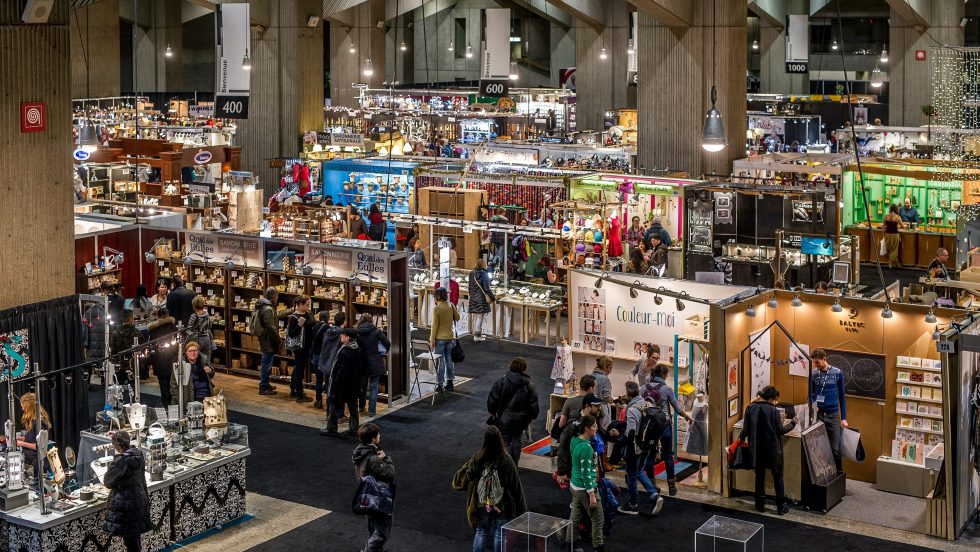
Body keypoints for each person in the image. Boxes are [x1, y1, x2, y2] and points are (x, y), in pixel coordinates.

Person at [452, 426, 528, 552]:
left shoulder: (477, 458)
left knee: (481, 531)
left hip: (482, 503)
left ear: (485, 441)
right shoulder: (506, 460)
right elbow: (516, 485)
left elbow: (469, 475)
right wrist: (522, 509)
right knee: (500, 533)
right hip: (502, 504)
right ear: (499, 440)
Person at [740, 385, 798, 515]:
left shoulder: (750, 408)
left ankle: (759, 504)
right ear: (772, 398)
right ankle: (781, 506)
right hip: (772, 450)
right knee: (777, 477)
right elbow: (781, 430)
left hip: (757, 449)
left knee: (759, 476)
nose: (776, 402)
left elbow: (745, 430)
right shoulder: (773, 411)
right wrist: (793, 423)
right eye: (775, 399)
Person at [643, 364, 694, 496]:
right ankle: (671, 486)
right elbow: (677, 408)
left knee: (650, 454)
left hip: (649, 425)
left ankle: (652, 485)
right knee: (667, 455)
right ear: (664, 375)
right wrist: (687, 417)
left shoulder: (643, 388)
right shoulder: (666, 389)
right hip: (664, 424)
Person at [619, 381, 664, 516]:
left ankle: (632, 505)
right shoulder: (647, 404)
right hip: (647, 446)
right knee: (640, 471)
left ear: (628, 394)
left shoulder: (632, 410)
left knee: (632, 474)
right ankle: (655, 495)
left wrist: (620, 436)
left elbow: (630, 432)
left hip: (635, 448)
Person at [103, 431, 151, 552]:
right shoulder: (139, 455)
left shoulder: (121, 461)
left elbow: (108, 482)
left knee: (131, 543)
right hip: (139, 501)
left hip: (126, 506)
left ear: (117, 445)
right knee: (135, 539)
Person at [487, 357, 540, 463]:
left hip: (504, 419)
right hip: (521, 421)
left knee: (505, 441)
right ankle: (514, 464)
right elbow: (533, 404)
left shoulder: (501, 382)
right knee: (517, 440)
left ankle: (506, 464)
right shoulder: (529, 385)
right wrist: (532, 416)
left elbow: (492, 399)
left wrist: (493, 412)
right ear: (524, 368)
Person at [353, 423, 395, 552]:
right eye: (378, 434)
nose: (379, 435)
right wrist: (386, 459)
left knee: (373, 526)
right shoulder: (373, 458)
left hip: (366, 496)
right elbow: (390, 474)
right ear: (372, 438)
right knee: (382, 533)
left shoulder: (360, 452)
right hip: (378, 499)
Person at [569, 415, 605, 552]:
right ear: (586, 428)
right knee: (598, 518)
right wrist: (592, 495)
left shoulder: (574, 439)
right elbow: (585, 474)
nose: (596, 428)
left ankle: (570, 545)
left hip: (574, 485)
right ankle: (598, 547)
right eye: (594, 426)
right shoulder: (586, 448)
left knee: (575, 517)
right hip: (584, 488)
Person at [808, 348, 847, 472]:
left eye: (818, 362)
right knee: (818, 448)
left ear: (824, 359)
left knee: (835, 449)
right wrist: (814, 404)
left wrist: (844, 418)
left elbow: (842, 397)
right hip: (818, 415)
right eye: (814, 363)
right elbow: (810, 394)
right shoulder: (814, 374)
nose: (816, 365)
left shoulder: (837, 373)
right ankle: (822, 475)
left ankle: (838, 476)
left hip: (833, 415)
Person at [322, 328, 361, 436]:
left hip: (343, 386)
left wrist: (336, 385)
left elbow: (341, 371)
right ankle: (354, 428)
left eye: (342, 335)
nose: (341, 337)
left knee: (335, 406)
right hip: (353, 384)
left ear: (348, 337)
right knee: (353, 407)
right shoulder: (357, 349)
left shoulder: (345, 351)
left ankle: (331, 428)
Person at [355, 313, 391, 417]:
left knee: (362, 387)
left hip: (362, 363)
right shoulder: (377, 331)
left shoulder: (357, 332)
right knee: (374, 386)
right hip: (375, 361)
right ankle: (372, 411)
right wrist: (381, 352)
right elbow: (387, 343)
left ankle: (361, 408)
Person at [430, 287, 461, 393]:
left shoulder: (436, 309)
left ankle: (440, 384)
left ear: (436, 297)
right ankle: (450, 382)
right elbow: (457, 317)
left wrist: (431, 339)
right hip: (450, 337)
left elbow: (434, 326)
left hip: (440, 338)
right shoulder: (450, 305)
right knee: (449, 360)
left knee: (441, 361)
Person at [146, 307, 177, 406]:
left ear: (157, 316)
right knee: (173, 384)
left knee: (163, 385)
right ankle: (173, 405)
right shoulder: (172, 326)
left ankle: (165, 406)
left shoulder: (153, 329)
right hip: (172, 359)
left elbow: (151, 346)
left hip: (159, 360)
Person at [255, 287, 280, 396]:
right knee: (266, 363)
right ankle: (263, 387)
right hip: (267, 339)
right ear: (274, 297)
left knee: (267, 362)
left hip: (266, 338)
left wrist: (290, 310)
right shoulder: (267, 309)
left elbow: (275, 317)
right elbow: (271, 327)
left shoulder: (266, 307)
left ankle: (265, 383)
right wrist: (278, 340)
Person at [17, 392, 51, 471]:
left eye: (23, 406)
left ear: (28, 406)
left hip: (36, 463)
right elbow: (33, 438)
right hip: (31, 460)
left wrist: (21, 443)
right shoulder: (33, 421)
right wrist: (23, 438)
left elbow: (38, 446)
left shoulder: (39, 422)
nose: (22, 409)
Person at [109, 310, 142, 384]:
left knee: (118, 388)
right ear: (131, 319)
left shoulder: (115, 333)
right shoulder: (137, 332)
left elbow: (113, 349)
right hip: (133, 364)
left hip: (119, 364)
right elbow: (142, 347)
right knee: (134, 388)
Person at [469, 259, 496, 341]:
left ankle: (478, 334)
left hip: (473, 297)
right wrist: (492, 297)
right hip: (481, 298)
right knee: (480, 317)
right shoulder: (484, 274)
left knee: (476, 317)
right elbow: (487, 288)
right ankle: (477, 336)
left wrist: (472, 295)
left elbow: (469, 287)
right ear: (484, 265)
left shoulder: (471, 273)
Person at [309, 310, 331, 409]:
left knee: (318, 380)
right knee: (327, 380)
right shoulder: (328, 329)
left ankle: (318, 401)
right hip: (325, 357)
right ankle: (328, 401)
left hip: (316, 355)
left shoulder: (314, 328)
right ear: (328, 318)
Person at [186, 296, 215, 365]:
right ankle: (207, 373)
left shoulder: (194, 316)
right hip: (207, 339)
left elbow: (188, 330)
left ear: (193, 306)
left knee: (197, 359)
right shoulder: (207, 315)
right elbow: (209, 327)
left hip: (197, 339)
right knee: (207, 360)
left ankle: (199, 374)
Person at [591, 356, 614, 430]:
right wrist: (612, 398)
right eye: (610, 368)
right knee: (603, 430)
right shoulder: (605, 379)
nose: (610, 371)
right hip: (602, 408)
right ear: (605, 367)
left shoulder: (591, 376)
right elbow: (607, 397)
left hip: (591, 408)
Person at [883, 204, 902, 268]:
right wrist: (905, 226)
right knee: (894, 249)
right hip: (895, 234)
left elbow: (883, 227)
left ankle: (894, 262)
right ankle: (891, 263)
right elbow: (902, 226)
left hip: (887, 234)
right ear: (896, 209)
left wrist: (883, 235)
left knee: (889, 248)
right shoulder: (897, 217)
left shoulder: (886, 217)